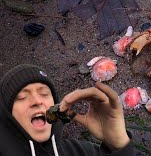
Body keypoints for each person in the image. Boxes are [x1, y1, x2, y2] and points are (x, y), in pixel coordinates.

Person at [0, 64, 135, 156]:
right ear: (6, 114)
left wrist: (119, 146)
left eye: (45, 94)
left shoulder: (80, 152)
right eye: (22, 97)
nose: (37, 101)